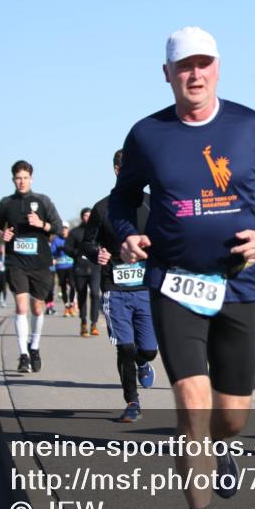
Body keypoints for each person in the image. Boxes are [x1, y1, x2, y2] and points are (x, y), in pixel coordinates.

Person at [108, 26, 255, 509]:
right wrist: (126, 231)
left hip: (239, 284)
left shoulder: (251, 126)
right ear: (167, 74)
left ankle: (226, 445)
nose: (195, 74)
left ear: (218, 68)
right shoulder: (147, 135)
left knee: (232, 419)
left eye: (204, 64)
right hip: (173, 285)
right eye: (183, 66)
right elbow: (122, 200)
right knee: (192, 405)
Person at [85, 150, 157, 421]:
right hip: (114, 288)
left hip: (146, 289)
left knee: (148, 349)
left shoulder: (153, 204)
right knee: (125, 346)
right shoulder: (103, 208)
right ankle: (132, 402)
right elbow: (86, 243)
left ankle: (143, 362)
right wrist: (96, 254)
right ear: (117, 171)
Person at [0, 160, 63, 373]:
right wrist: (1, 234)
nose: (21, 182)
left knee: (37, 307)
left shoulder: (42, 201)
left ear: (31, 178)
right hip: (16, 261)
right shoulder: (6, 203)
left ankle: (34, 347)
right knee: (22, 307)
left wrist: (42, 224)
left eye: (25, 178)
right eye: (18, 178)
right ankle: (23, 355)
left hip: (40, 262)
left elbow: (58, 227)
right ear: (13, 180)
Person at [67, 207, 101, 337]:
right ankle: (83, 322)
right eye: (85, 215)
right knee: (81, 295)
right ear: (82, 217)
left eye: (90, 215)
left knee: (95, 294)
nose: (88, 217)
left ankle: (94, 323)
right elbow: (66, 247)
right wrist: (77, 253)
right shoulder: (75, 232)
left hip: (95, 268)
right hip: (80, 268)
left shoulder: (98, 231)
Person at [50, 222, 77, 317]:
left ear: (68, 229)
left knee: (73, 285)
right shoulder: (56, 240)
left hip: (71, 265)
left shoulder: (71, 239)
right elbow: (52, 253)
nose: (63, 230)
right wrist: (54, 257)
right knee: (63, 286)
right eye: (62, 228)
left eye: (65, 228)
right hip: (60, 266)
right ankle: (66, 306)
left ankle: (72, 305)